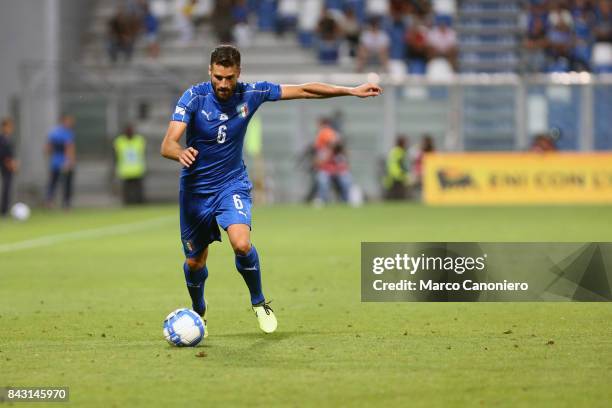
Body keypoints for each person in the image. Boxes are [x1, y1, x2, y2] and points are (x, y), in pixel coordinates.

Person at [160, 45, 382, 335]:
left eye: (229, 78)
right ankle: (199, 309)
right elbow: (167, 144)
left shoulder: (251, 93)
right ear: (210, 72)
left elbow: (304, 90)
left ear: (239, 73)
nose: (223, 84)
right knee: (194, 262)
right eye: (218, 77)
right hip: (195, 191)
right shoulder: (194, 97)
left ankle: (259, 301)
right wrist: (180, 153)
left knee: (241, 243)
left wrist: (350, 91)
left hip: (231, 185)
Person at [45, 114, 76, 209]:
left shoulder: (53, 132)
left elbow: (48, 148)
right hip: (63, 162)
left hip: (55, 161)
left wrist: (50, 156)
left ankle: (50, 201)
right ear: (64, 121)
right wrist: (69, 161)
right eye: (69, 121)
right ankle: (65, 204)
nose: (70, 123)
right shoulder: (67, 133)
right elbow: (69, 147)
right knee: (66, 183)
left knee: (53, 182)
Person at [114, 125, 147, 205]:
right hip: (125, 170)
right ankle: (127, 203)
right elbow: (115, 157)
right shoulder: (119, 141)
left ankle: (139, 203)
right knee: (126, 190)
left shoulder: (139, 140)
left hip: (137, 169)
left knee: (138, 190)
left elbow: (143, 154)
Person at [0, 118, 18, 217]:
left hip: (9, 165)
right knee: (6, 187)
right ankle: (3, 210)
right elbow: (3, 154)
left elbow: (11, 153)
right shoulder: (2, 139)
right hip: (5, 165)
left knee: (8, 187)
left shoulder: (9, 138)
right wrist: (9, 163)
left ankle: (5, 209)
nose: (10, 128)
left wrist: (14, 163)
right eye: (8, 126)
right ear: (4, 127)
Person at [384, 136, 410, 200]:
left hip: (390, 176)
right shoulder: (400, 152)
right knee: (399, 196)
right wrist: (405, 174)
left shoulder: (393, 151)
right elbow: (402, 164)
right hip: (398, 176)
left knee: (392, 196)